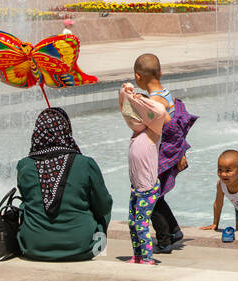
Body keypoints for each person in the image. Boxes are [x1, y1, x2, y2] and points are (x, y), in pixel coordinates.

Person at [16, 106, 113, 262]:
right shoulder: (85, 163)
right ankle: (98, 244)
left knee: (25, 206)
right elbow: (104, 206)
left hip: (32, 248)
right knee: (104, 206)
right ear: (66, 131)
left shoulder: (24, 166)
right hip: (83, 248)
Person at [132, 52, 186, 254]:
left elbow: (143, 125)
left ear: (138, 77)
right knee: (158, 195)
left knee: (150, 197)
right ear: (161, 72)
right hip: (169, 151)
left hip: (159, 154)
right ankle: (174, 230)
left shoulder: (154, 102)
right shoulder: (166, 95)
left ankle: (164, 240)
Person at [118, 79, 169, 264]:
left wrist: (140, 100)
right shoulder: (137, 133)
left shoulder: (153, 131)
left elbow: (159, 111)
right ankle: (137, 255)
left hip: (148, 189)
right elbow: (124, 106)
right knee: (132, 224)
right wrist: (127, 92)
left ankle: (148, 258)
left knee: (141, 225)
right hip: (136, 188)